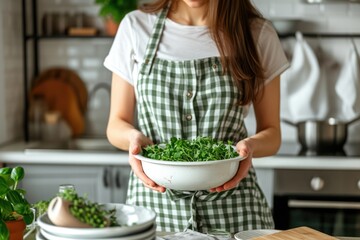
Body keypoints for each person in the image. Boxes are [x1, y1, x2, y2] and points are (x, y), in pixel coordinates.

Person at [104, 0, 289, 235]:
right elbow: (115, 124)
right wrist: (133, 138)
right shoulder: (136, 27)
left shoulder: (256, 33)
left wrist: (249, 146)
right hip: (156, 209)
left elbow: (272, 133)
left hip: (234, 211)